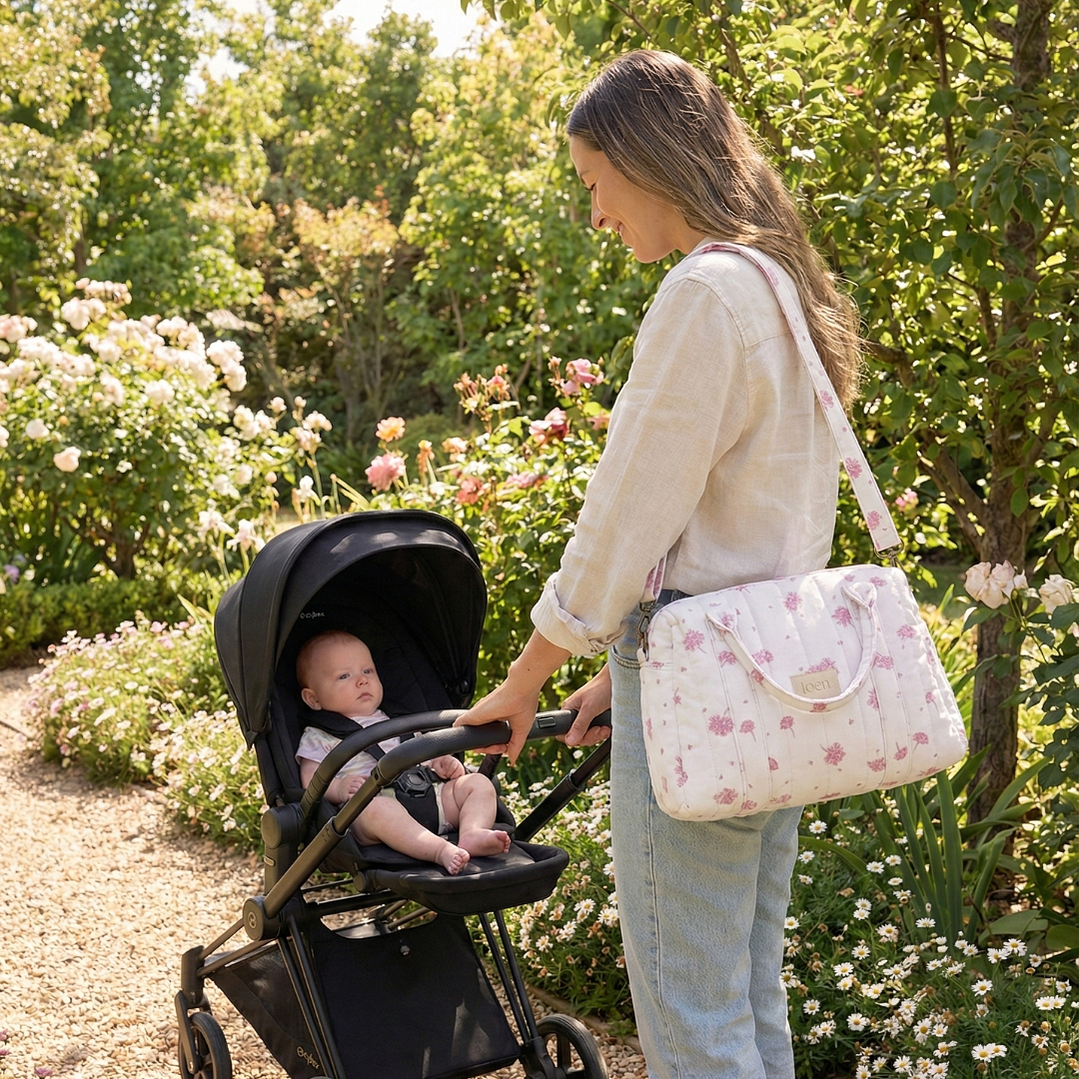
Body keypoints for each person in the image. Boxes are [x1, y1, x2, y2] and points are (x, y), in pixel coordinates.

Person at [455, 50, 862, 1079]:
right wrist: (610, 669)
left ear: (643, 160)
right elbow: (751, 521)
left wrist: (526, 678)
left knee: (689, 1012)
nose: (594, 213)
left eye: (594, 182)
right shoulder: (778, 284)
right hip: (772, 672)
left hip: (700, 681)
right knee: (742, 993)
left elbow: (622, 519)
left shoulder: (703, 293)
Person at [296, 630, 511, 875]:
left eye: (367, 671)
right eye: (344, 676)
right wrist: (339, 788)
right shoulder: (319, 735)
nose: (362, 680)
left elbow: (421, 753)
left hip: (432, 799)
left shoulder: (397, 720)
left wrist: (440, 763)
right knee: (376, 809)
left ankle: (473, 833)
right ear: (313, 699)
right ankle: (439, 850)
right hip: (373, 813)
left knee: (478, 783)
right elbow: (310, 780)